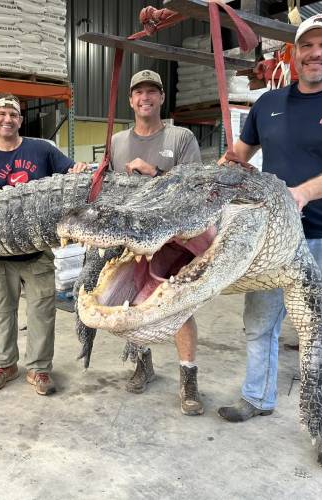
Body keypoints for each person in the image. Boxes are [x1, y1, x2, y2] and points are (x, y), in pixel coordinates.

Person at [217, 14, 322, 470]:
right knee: (259, 322)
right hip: (272, 238)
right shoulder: (268, 103)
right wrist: (220, 172)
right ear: (293, 52)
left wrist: (303, 193)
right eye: (305, 45)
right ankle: (257, 397)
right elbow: (239, 156)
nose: (314, 53)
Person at [0, 93, 88, 396]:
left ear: (20, 120)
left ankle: (39, 369)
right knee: (3, 312)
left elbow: (71, 173)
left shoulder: (42, 150)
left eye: (13, 114)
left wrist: (78, 170)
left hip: (37, 251)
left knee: (42, 312)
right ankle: (5, 365)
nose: (7, 119)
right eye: (1, 113)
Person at [110, 69, 204, 416]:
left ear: (162, 98)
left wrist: (158, 175)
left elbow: (196, 189)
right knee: (133, 303)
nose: (145, 98)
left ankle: (188, 378)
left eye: (152, 91)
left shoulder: (181, 138)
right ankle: (143, 364)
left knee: (180, 308)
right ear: (131, 100)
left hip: (174, 240)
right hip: (133, 237)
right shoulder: (118, 142)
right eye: (139, 92)